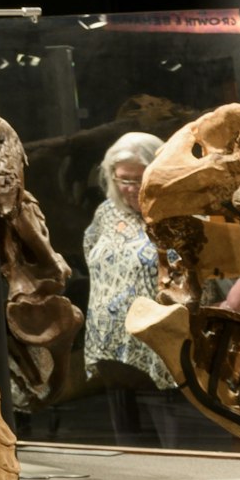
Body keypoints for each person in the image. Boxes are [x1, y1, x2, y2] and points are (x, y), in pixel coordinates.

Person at [82, 129, 174, 432]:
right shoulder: (106, 213)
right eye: (124, 179)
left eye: (140, 179)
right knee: (127, 447)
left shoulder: (176, 214)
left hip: (158, 353)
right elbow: (92, 254)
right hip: (109, 351)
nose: (132, 188)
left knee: (173, 443)